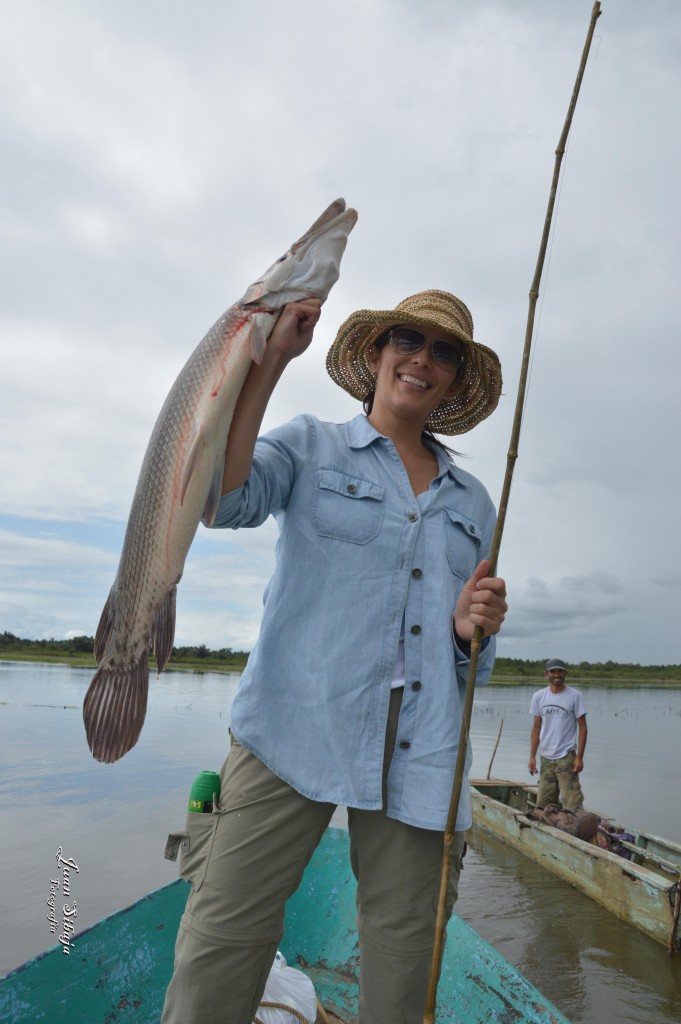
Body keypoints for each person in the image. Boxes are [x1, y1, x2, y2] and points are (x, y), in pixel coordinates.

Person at [161, 289, 508, 1024]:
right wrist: (272, 360)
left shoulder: (474, 502)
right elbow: (224, 499)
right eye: (407, 340)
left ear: (453, 379)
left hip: (422, 741)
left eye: (443, 352)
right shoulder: (309, 443)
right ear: (376, 355)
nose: (421, 359)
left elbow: (473, 664)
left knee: (407, 941)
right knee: (225, 930)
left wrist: (466, 630)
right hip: (294, 717)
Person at [528, 658, 587, 811]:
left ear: (565, 673)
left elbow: (583, 727)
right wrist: (532, 756)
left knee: (573, 805)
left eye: (560, 671)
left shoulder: (575, 696)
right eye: (553, 671)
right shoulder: (539, 696)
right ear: (546, 674)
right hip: (546, 758)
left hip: (566, 757)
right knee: (543, 806)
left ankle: (576, 830)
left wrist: (579, 757)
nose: (557, 675)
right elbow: (536, 727)